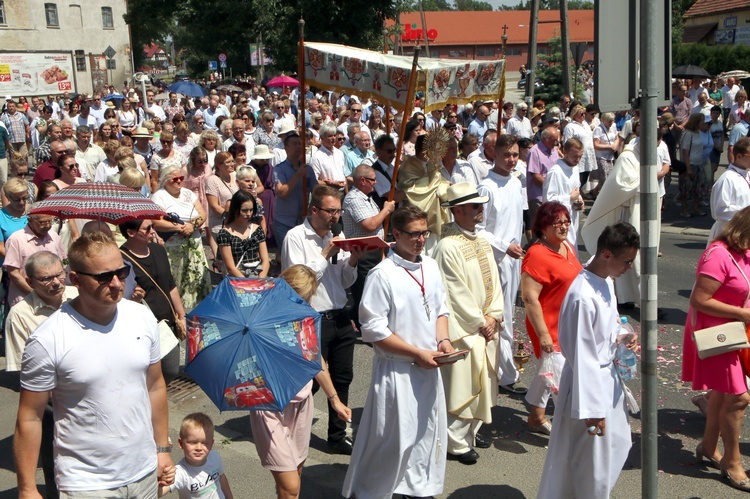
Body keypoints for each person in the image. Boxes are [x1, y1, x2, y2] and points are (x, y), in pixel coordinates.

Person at [14, 231, 175, 496]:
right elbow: (30, 417)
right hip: (87, 483)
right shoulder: (48, 339)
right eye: (103, 277)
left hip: (145, 472)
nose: (116, 284)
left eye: (121, 272)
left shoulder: (141, 317)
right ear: (75, 279)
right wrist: (27, 488)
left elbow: (155, 386)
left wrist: (162, 450)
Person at [343, 205, 453, 498]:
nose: (421, 240)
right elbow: (373, 330)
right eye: (414, 234)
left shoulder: (430, 265)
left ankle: (417, 487)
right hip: (398, 369)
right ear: (397, 234)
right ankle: (375, 490)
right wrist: (416, 353)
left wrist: (442, 342)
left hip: (428, 365)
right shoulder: (383, 274)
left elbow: (441, 309)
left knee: (426, 432)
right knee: (394, 437)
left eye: (425, 233)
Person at [537, 222, 639, 499]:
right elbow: (584, 356)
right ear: (607, 255)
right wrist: (592, 410)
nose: (630, 267)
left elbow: (608, 324)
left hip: (607, 380)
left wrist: (622, 335)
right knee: (591, 463)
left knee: (617, 446)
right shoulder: (583, 295)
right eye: (627, 261)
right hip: (589, 387)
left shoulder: (605, 282)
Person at [249, 265, 352, 499]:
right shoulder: (259, 322)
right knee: (291, 486)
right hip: (270, 405)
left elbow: (316, 359)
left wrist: (334, 399)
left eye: (307, 299)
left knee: (296, 473)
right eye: (301, 299)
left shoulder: (307, 316)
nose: (305, 305)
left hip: (302, 403)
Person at [280, 185, 365, 454]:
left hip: (340, 314)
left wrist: (352, 262)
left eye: (338, 211)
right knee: (312, 381)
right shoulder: (295, 237)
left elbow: (343, 282)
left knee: (342, 377)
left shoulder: (334, 236)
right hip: (312, 317)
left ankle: (338, 436)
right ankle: (284, 421)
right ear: (314, 209)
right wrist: (325, 254)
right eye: (331, 211)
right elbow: (298, 280)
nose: (335, 216)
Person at [433, 183, 504, 464]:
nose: (481, 210)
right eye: (475, 206)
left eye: (480, 205)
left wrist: (494, 315)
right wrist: (479, 322)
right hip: (465, 329)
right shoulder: (447, 246)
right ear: (458, 210)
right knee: (461, 385)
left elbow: (495, 282)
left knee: (483, 380)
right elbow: (454, 292)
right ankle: (455, 442)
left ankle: (472, 431)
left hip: (485, 324)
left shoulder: (482, 240)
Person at [682, 206, 750, 492]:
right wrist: (744, 314)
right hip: (717, 334)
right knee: (739, 398)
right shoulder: (719, 254)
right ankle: (732, 461)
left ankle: (709, 447)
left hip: (733, 331)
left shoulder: (743, 252)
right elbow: (699, 299)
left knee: (723, 394)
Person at [4, 251, 75, 497]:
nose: (56, 282)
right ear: (30, 281)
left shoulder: (79, 297)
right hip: (51, 406)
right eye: (46, 279)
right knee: (58, 470)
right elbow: (25, 373)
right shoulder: (20, 316)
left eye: (58, 275)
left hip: (90, 397)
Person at [521, 202, 583, 436]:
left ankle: (536, 416)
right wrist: (544, 334)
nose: (563, 226)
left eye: (566, 221)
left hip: (567, 323)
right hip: (548, 326)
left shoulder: (567, 247)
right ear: (543, 227)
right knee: (560, 382)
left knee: (546, 371)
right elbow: (529, 298)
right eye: (557, 222)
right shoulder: (537, 254)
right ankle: (569, 432)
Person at [477, 134, 527, 394]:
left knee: (510, 313)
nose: (511, 160)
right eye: (506, 155)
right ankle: (504, 373)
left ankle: (504, 369)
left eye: (515, 155)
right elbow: (477, 228)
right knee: (501, 315)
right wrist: (503, 245)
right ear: (494, 155)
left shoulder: (517, 183)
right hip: (495, 259)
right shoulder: (487, 187)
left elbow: (519, 219)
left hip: (514, 259)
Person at [120, 218, 187, 385]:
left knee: (170, 370)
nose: (153, 231)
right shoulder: (121, 259)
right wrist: (134, 299)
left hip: (167, 323)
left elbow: (170, 284)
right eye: (148, 228)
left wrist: (182, 315)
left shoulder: (158, 249)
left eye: (153, 227)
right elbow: (119, 297)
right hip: (143, 325)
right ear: (131, 233)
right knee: (152, 372)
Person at [581, 140, 641, 308]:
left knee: (634, 259)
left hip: (638, 211)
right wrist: (646, 178)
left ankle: (639, 298)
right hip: (625, 213)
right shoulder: (627, 158)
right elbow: (621, 185)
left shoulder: (646, 157)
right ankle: (624, 298)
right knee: (626, 259)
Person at [341, 164, 395, 327]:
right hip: (362, 253)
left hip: (373, 251)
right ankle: (365, 326)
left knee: (373, 291)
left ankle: (358, 317)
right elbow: (370, 225)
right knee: (366, 293)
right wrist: (386, 210)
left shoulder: (366, 198)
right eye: (372, 179)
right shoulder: (354, 199)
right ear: (362, 180)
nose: (375, 182)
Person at [151, 166, 211, 311]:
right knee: (178, 279)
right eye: (175, 179)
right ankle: (180, 312)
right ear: (166, 181)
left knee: (196, 277)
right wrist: (178, 228)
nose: (179, 182)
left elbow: (202, 213)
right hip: (173, 247)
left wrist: (192, 226)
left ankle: (200, 309)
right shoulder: (159, 196)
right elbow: (156, 222)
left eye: (181, 179)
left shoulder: (188, 194)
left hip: (194, 242)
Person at [159, 413, 234, 498]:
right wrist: (160, 481)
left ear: (211, 444)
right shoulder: (180, 473)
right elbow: (157, 493)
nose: (199, 448)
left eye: (205, 443)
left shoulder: (215, 457)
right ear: (181, 443)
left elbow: (222, 478)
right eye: (193, 442)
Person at [4, 209, 66, 307]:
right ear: (30, 221)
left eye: (50, 221)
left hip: (53, 300)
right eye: (42, 222)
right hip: (26, 300)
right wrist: (36, 294)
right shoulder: (16, 239)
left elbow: (62, 264)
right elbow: (13, 273)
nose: (47, 226)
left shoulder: (54, 236)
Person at [543, 138, 585, 251]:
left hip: (572, 218)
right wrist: (569, 198)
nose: (577, 159)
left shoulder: (575, 169)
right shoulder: (555, 172)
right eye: (574, 156)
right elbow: (548, 200)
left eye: (580, 156)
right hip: (558, 222)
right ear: (564, 153)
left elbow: (576, 191)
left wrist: (579, 202)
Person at [216, 190, 270, 278]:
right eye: (244, 210)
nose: (249, 214)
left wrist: (260, 280)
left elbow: (265, 260)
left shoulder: (257, 229)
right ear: (235, 210)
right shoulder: (225, 234)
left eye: (251, 210)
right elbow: (230, 267)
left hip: (258, 277)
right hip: (237, 279)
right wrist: (246, 283)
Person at [709, 137, 750, 242]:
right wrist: (746, 213)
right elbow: (719, 211)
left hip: (744, 232)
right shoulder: (727, 179)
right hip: (728, 233)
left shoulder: (747, 174)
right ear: (739, 156)